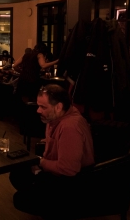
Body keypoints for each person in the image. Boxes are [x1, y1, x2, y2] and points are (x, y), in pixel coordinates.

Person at [9, 84, 94, 217]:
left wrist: (40, 162)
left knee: (20, 199)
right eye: (39, 105)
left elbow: (69, 169)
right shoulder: (56, 117)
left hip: (71, 184)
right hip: (56, 172)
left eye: (43, 107)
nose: (38, 110)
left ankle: (54, 207)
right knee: (17, 172)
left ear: (59, 107)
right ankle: (40, 193)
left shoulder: (69, 127)